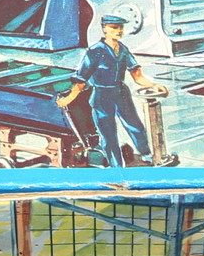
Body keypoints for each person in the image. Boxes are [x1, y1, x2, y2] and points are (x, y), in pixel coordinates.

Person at [57, 15, 168, 168]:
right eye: (114, 28)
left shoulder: (123, 50)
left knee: (135, 126)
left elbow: (137, 75)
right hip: (102, 96)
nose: (119, 31)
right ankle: (116, 167)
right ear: (104, 29)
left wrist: (154, 85)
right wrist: (68, 99)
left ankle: (148, 155)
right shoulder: (95, 51)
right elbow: (81, 80)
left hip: (121, 93)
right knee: (108, 135)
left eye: (121, 27)